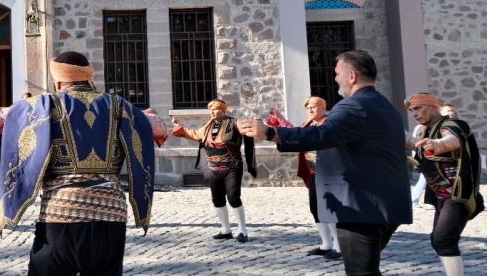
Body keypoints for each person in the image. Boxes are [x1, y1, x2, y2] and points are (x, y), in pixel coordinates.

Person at [0, 51, 168, 276]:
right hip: (111, 219)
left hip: (61, 216)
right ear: (88, 79)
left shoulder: (43, 106)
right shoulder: (121, 107)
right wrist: (149, 114)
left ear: (59, 83)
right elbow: (157, 127)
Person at [237, 50, 412, 276]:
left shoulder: (352, 106)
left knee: (361, 272)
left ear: (352, 76)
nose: (336, 78)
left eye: (338, 73)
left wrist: (271, 132)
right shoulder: (384, 105)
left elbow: (322, 135)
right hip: (383, 204)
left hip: (360, 207)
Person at [406, 93, 484, 276]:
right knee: (438, 239)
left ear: (433, 106)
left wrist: (436, 143)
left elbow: (451, 140)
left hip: (457, 193)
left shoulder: (453, 125)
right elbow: (416, 145)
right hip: (441, 195)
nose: (414, 114)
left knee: (443, 239)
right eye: (411, 111)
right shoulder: (424, 130)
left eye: (418, 108)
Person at [170, 99, 257, 242]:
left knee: (233, 197)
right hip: (214, 169)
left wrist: (252, 126)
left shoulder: (234, 123)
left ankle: (242, 230)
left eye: (216, 109)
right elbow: (195, 134)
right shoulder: (207, 126)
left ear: (224, 111)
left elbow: (246, 129)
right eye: (211, 110)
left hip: (232, 167)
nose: (213, 112)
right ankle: (226, 230)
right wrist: (180, 127)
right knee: (217, 199)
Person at [266, 97, 341, 260]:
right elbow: (294, 133)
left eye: (314, 107)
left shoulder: (329, 124)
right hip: (313, 172)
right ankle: (326, 244)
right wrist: (279, 119)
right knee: (315, 208)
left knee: (329, 208)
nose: (311, 110)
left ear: (323, 108)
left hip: (327, 172)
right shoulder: (309, 125)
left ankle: (338, 246)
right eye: (309, 108)